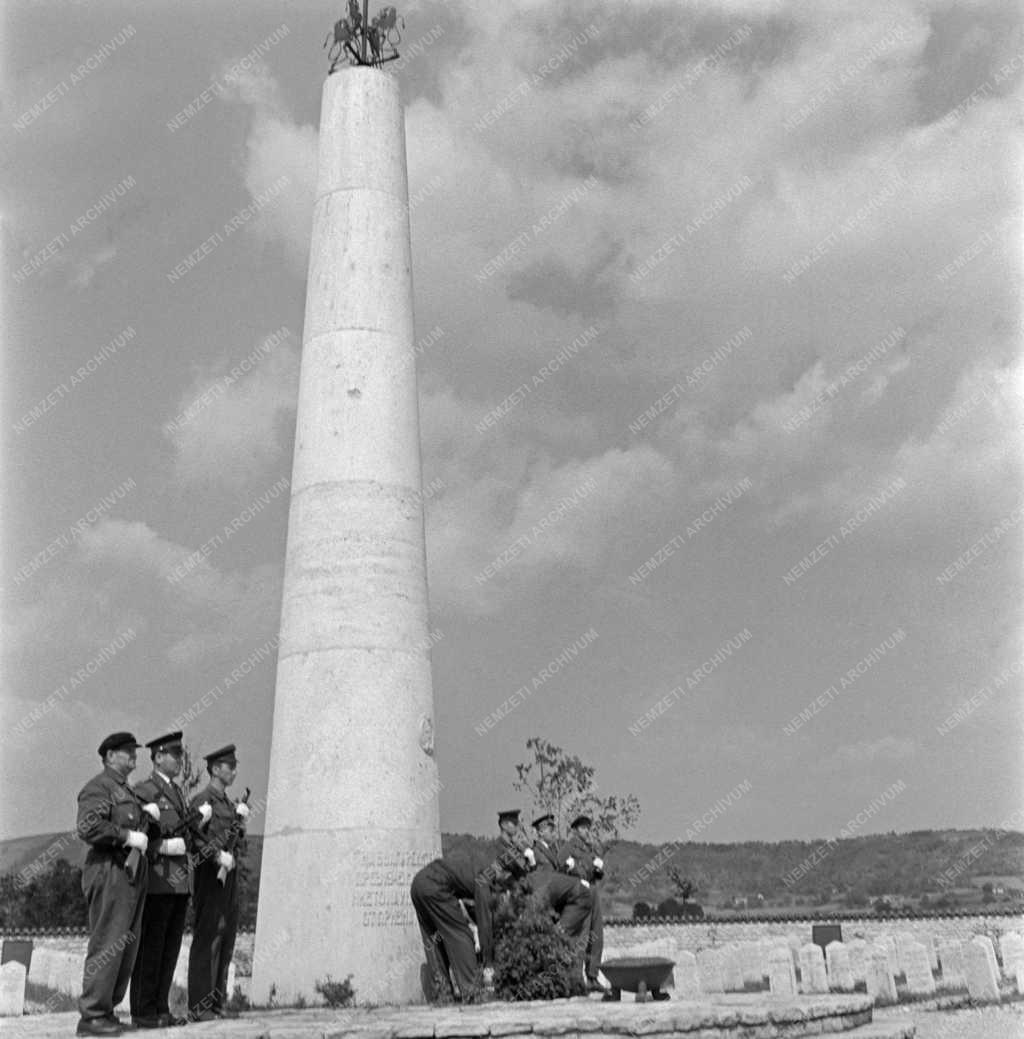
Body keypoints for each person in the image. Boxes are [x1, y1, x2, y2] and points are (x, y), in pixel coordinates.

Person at [76, 732, 160, 1037]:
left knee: (127, 944)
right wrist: (126, 836)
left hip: (131, 873)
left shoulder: (129, 791)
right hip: (109, 870)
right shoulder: (98, 787)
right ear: (110, 756)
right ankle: (92, 1015)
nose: (133, 755)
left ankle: (107, 1010)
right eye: (126, 751)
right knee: (108, 941)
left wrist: (147, 820)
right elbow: (88, 826)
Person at [129, 731, 211, 1028]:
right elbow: (138, 834)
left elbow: (185, 834)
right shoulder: (144, 791)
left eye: (180, 755)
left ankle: (161, 1008)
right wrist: (160, 846)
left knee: (170, 947)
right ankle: (143, 1010)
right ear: (158, 757)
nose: (179, 760)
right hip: (157, 879)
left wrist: (198, 824)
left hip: (178, 882)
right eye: (174, 755)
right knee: (151, 946)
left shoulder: (177, 793)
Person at [411, 809, 532, 1002]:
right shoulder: (487, 875)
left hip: (418, 882)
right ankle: (472, 992)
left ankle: (443, 995)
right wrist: (488, 959)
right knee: (461, 935)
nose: (504, 885)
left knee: (434, 940)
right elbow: (484, 920)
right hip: (435, 885)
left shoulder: (482, 860)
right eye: (505, 878)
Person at [187, 744, 249, 1021]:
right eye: (229, 766)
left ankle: (216, 1002)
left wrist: (241, 826)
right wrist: (216, 857)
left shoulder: (228, 804)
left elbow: (233, 841)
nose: (234, 771)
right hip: (210, 877)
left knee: (226, 938)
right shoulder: (203, 800)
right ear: (214, 769)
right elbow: (193, 839)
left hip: (229, 877)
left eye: (234, 766)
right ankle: (200, 1005)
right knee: (208, 938)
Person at [529, 813, 594, 940]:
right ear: (541, 832)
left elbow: (557, 872)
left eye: (554, 830)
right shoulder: (535, 851)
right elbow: (534, 876)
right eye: (551, 830)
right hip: (544, 900)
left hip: (554, 900)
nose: (554, 833)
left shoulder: (552, 850)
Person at [564, 814, 606, 992]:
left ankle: (592, 975)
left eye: (588, 828)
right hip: (580, 890)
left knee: (596, 934)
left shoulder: (590, 848)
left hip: (593, 889)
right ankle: (576, 978)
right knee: (582, 934)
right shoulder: (568, 847)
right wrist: (574, 869)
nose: (586, 831)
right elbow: (563, 866)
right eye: (583, 828)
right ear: (575, 830)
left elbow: (596, 872)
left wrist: (599, 869)